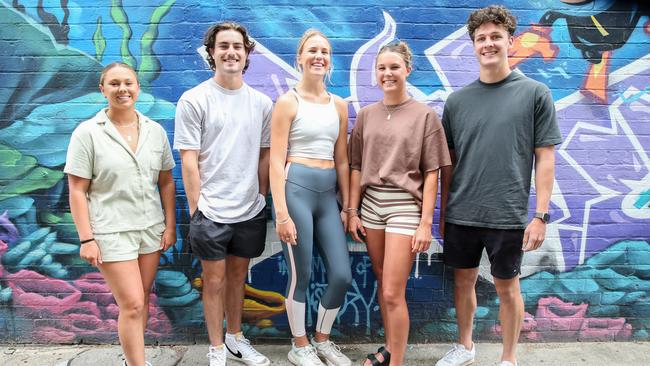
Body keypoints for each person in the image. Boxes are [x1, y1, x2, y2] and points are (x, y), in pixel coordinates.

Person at [436, 5, 562, 366]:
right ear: (473, 45)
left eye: (495, 37)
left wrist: (540, 215)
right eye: (481, 38)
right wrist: (444, 213)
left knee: (508, 288)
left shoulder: (535, 94)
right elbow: (451, 164)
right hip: (462, 212)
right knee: (463, 283)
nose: (488, 44)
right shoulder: (457, 102)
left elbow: (546, 158)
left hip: (507, 213)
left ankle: (508, 358)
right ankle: (465, 346)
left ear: (510, 41)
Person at [174, 22, 272, 366]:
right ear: (211, 53)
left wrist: (260, 195)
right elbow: (188, 159)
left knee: (237, 279)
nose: (231, 52)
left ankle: (235, 340)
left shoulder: (261, 103)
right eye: (223, 46)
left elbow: (264, 153)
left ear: (247, 54)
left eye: (238, 46)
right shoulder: (194, 99)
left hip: (249, 209)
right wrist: (197, 206)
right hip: (210, 211)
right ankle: (216, 349)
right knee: (212, 282)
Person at [66, 62, 176, 366]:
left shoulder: (154, 131)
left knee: (141, 303)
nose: (122, 89)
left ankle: (132, 360)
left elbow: (166, 182)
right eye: (114, 84)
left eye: (128, 83)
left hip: (149, 229)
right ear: (103, 90)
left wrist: (170, 226)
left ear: (138, 88)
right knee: (132, 304)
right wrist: (86, 238)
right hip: (111, 231)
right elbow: (77, 190)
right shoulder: (87, 133)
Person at [348, 41, 451, 366]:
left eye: (394, 67)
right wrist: (352, 210)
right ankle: (390, 347)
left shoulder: (425, 116)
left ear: (408, 69)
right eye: (382, 68)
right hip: (371, 206)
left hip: (405, 207)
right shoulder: (366, 115)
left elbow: (432, 173)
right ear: (375, 74)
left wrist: (425, 223)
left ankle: (397, 362)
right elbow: (355, 167)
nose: (388, 73)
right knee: (382, 279)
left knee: (393, 292)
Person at [269, 29, 353, 366]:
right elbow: (276, 160)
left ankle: (322, 340)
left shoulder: (339, 105)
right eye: (312, 50)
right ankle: (299, 344)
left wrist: (348, 206)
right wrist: (282, 214)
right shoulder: (288, 102)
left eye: (325, 51)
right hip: (297, 191)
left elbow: (344, 159)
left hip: (327, 195)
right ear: (300, 58)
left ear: (329, 60)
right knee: (301, 275)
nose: (319, 56)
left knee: (341, 275)